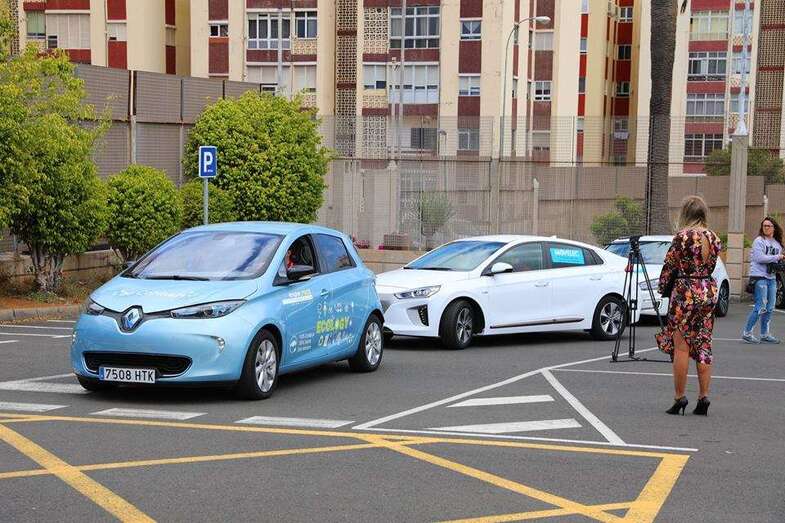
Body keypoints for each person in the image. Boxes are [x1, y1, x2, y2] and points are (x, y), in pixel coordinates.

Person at [656, 196, 722, 416]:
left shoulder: (682, 237)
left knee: (681, 347)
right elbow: (712, 265)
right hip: (707, 290)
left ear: (686, 213)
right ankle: (703, 397)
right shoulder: (713, 237)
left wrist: (662, 288)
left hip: (685, 290)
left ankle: (679, 397)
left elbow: (669, 266)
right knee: (704, 344)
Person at [742, 217, 785, 344]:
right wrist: (777, 257)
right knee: (760, 306)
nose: (766, 228)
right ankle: (747, 333)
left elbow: (775, 261)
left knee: (770, 307)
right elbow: (759, 258)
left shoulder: (777, 244)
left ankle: (764, 334)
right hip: (759, 277)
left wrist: (779, 262)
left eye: (768, 226)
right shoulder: (759, 241)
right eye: (764, 226)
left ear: (774, 228)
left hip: (771, 278)